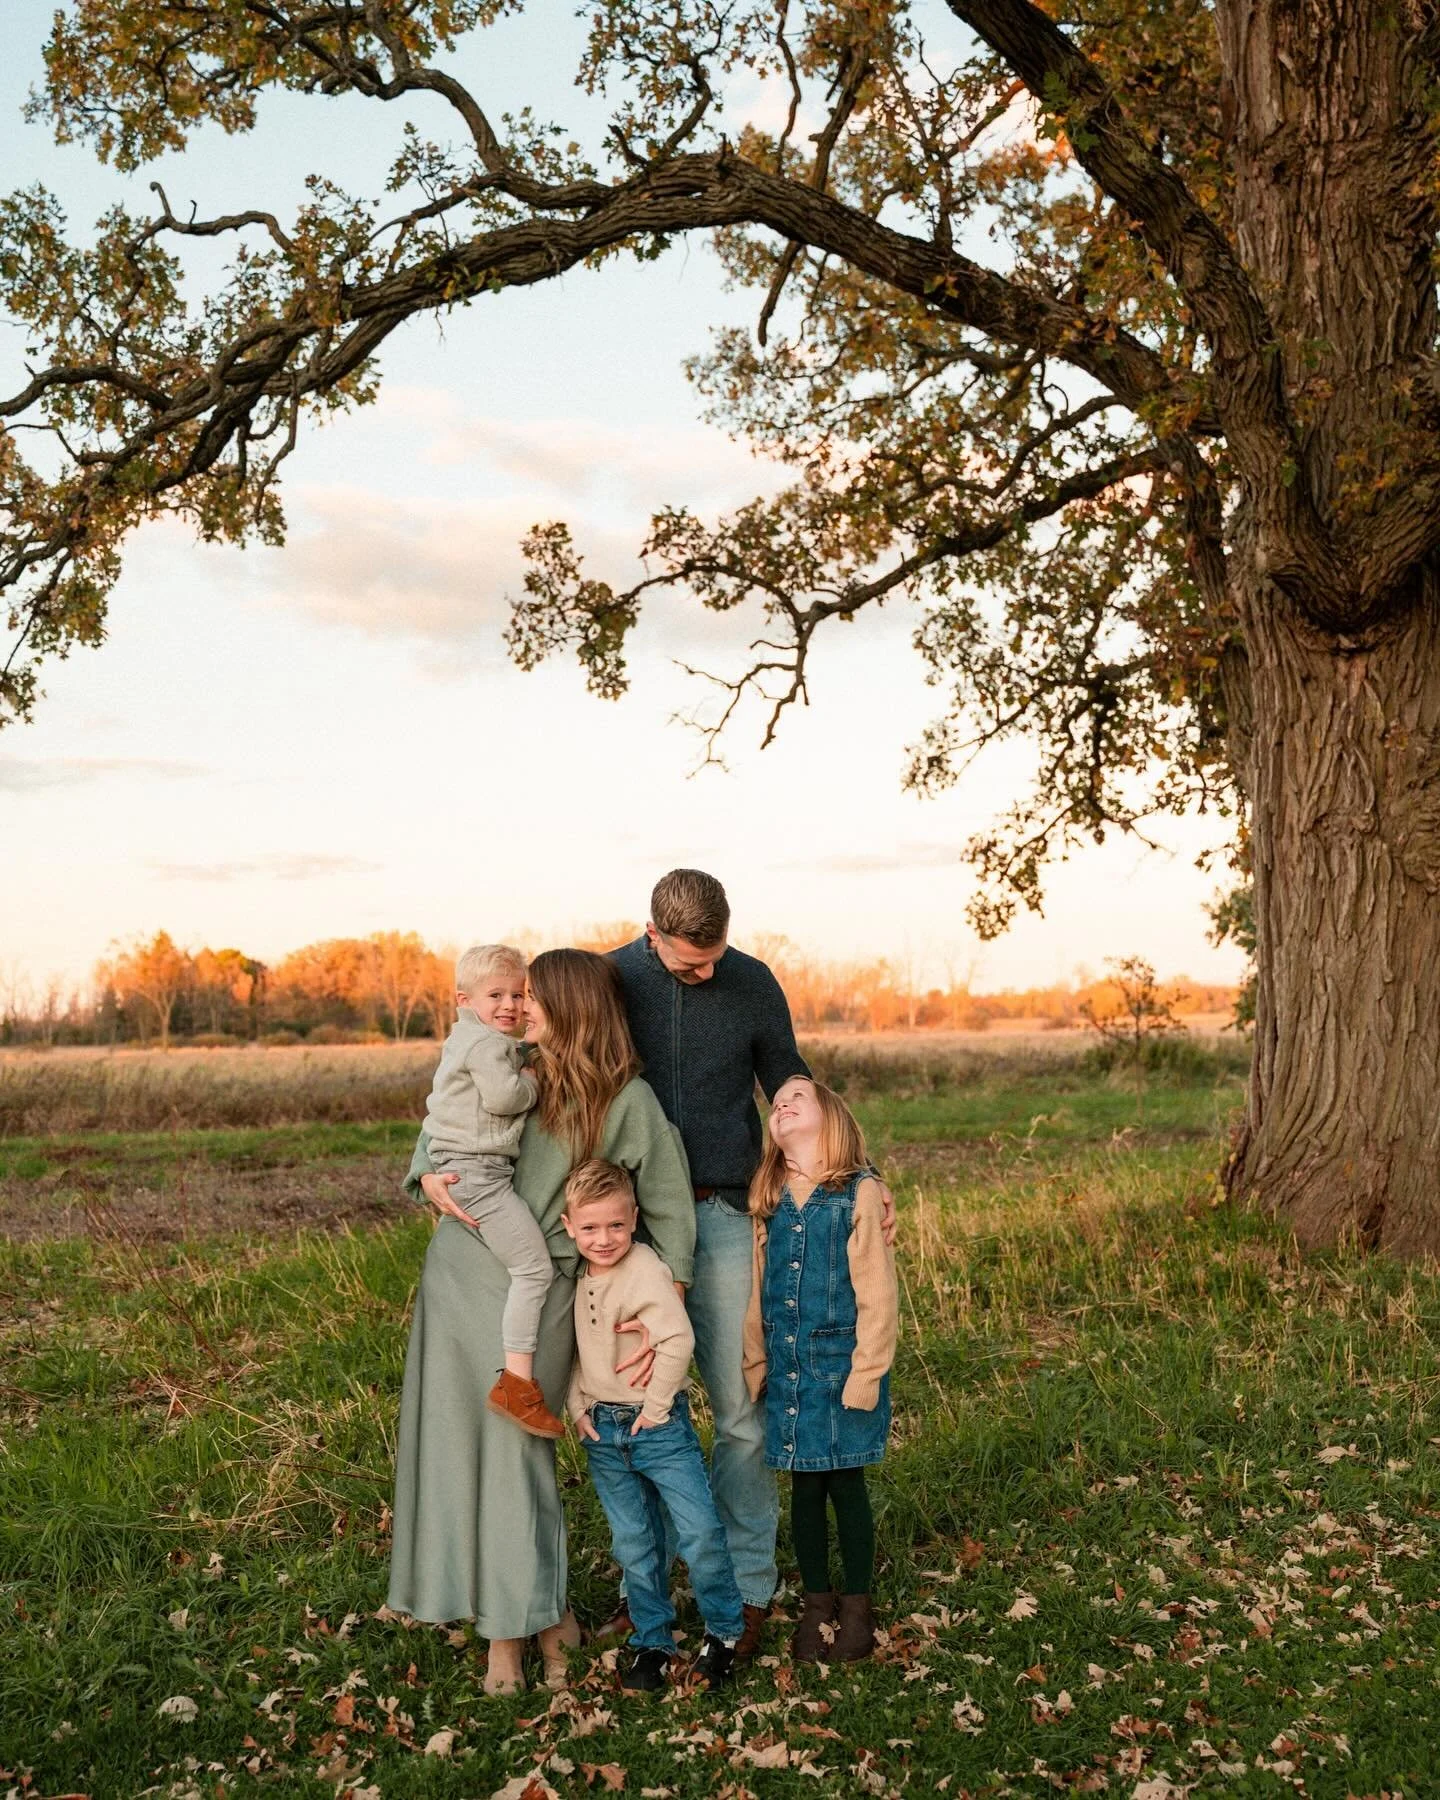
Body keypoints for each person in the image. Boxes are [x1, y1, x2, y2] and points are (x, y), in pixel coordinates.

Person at [390, 949, 695, 1698]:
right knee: (463, 1451)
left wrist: (659, 1309)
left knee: (518, 1454)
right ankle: (534, 1612)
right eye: (516, 995)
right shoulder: (507, 1065)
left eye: (533, 997)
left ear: (570, 1009)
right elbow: (441, 1126)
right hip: (460, 1275)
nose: (520, 1007)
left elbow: (670, 1209)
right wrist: (424, 1171)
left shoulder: (627, 1100)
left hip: (543, 1290)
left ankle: (512, 1628)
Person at [606, 869, 811, 1650]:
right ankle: (645, 1592)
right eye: (690, 963)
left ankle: (750, 1585)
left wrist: (847, 1172)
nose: (707, 973)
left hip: (724, 1213)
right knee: (637, 1413)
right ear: (651, 933)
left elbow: (788, 1081)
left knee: (741, 1412)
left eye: (715, 956)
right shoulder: (608, 980)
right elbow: (534, 1067)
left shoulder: (752, 981)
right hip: (629, 1230)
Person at [562, 1159, 745, 1692]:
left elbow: (677, 1338)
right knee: (635, 1542)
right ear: (569, 1226)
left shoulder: (643, 1267)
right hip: (603, 1431)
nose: (603, 1239)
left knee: (699, 1532)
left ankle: (724, 1633)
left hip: (656, 1427)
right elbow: (571, 1349)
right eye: (590, 1227)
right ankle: (653, 1640)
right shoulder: (576, 1275)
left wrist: (657, 1408)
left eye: (616, 1225)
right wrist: (577, 1407)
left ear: (635, 1219)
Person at [742, 1076, 897, 1664]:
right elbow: (755, 1289)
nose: (781, 1104)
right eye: (776, 1102)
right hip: (789, 1370)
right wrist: (755, 1361)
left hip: (842, 1366)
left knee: (846, 1482)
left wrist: (867, 1372)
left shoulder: (857, 1192)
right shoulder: (768, 1196)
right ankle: (816, 1603)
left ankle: (856, 1605)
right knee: (804, 1486)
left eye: (796, 1098)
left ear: (830, 1119)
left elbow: (878, 1292)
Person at [420, 942, 561, 1438]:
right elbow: (503, 1097)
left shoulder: (467, 1038)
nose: (510, 1005)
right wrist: (532, 1083)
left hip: (468, 1169)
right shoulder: (484, 1045)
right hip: (478, 1174)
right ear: (465, 1000)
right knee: (534, 1269)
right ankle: (517, 1386)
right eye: (495, 995)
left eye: (519, 995)